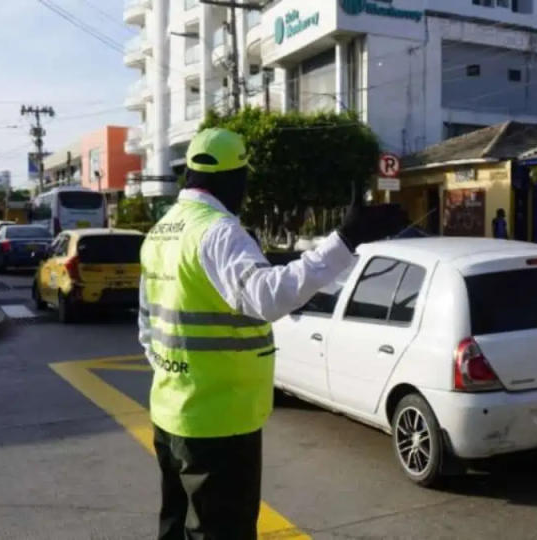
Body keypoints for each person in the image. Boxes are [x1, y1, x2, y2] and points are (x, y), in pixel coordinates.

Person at [138, 128, 386, 539]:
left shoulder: (161, 232)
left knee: (175, 528)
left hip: (171, 414)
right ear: (235, 179)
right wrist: (344, 239)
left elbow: (148, 327)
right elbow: (269, 297)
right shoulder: (218, 232)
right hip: (220, 423)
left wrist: (178, 372)